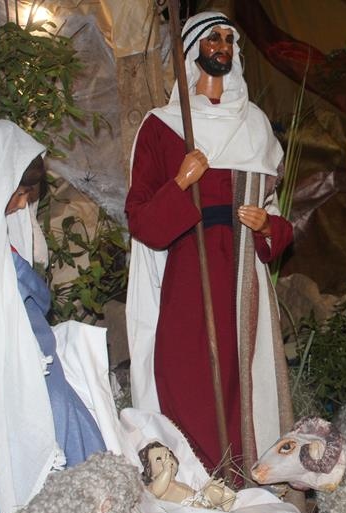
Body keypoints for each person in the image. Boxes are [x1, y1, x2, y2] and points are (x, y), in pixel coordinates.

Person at [126, 11, 294, 474]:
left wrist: (267, 226)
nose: (221, 45)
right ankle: (194, 477)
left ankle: (242, 475)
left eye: (227, 39)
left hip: (243, 276)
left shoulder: (256, 125)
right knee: (186, 371)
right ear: (191, 51)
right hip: (189, 271)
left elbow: (279, 218)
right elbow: (141, 219)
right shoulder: (163, 126)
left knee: (244, 376)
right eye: (212, 38)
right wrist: (181, 181)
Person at [0, 120, 106, 513]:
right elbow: (30, 298)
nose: (22, 204)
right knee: (51, 411)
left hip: (9, 350)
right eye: (19, 193)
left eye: (27, 195)